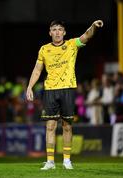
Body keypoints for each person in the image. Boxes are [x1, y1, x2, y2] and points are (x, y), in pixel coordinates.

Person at [26, 19, 103, 170]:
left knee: (67, 125)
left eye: (60, 29)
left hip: (68, 89)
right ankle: (50, 162)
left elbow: (86, 36)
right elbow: (37, 70)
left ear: (64, 32)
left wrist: (93, 26)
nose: (57, 32)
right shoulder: (44, 49)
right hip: (50, 90)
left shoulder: (72, 44)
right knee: (50, 126)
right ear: (50, 33)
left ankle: (67, 160)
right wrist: (29, 87)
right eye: (54, 29)